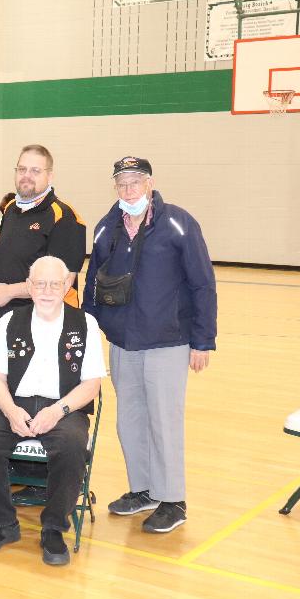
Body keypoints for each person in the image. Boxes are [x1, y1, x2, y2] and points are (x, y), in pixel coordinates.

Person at [83, 156, 217, 534]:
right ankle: (143, 490)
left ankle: (173, 499)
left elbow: (203, 283)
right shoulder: (106, 228)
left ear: (150, 184)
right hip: (123, 343)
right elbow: (93, 281)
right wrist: (92, 328)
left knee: (164, 420)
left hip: (167, 341)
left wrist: (202, 340)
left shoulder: (178, 223)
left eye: (135, 183)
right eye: (121, 184)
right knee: (131, 420)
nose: (128, 190)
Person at [0, 256, 104, 566]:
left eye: (54, 284)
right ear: (28, 286)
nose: (46, 290)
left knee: (71, 446)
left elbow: (91, 385)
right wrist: (12, 411)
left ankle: (54, 528)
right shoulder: (9, 322)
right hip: (15, 402)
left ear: (67, 285)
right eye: (39, 283)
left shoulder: (85, 324)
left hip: (65, 406)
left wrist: (57, 411)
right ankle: (2, 524)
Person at [0, 144, 87, 328]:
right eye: (22, 169)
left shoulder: (63, 216)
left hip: (47, 325)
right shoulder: (11, 208)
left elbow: (63, 282)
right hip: (7, 321)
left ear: (49, 176)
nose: (26, 175)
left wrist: (9, 292)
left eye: (35, 170)